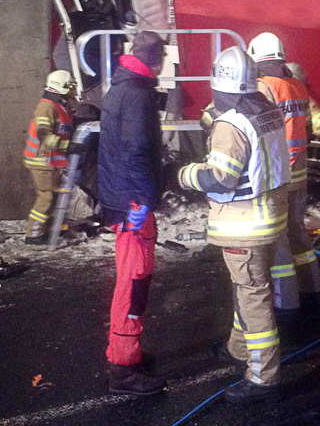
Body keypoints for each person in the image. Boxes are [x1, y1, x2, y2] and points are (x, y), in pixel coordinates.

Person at [177, 46, 290, 403]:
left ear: (218, 84)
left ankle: (263, 377)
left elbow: (221, 178)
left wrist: (186, 174)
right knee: (249, 289)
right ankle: (238, 349)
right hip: (270, 218)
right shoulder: (266, 109)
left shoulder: (231, 124)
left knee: (254, 298)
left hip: (245, 227)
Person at [97, 30, 167, 396]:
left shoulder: (121, 87)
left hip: (122, 199)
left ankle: (125, 352)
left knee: (132, 277)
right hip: (132, 205)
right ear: (157, 61)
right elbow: (137, 150)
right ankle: (124, 367)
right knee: (134, 283)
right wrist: (141, 202)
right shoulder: (138, 95)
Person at [247, 33, 320, 320]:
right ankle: (312, 291)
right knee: (297, 234)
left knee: (278, 241)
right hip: (298, 174)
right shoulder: (297, 86)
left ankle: (286, 306)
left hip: (279, 176)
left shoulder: (264, 88)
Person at [23, 70, 75, 245]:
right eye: (69, 86)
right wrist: (67, 146)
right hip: (42, 161)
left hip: (50, 162)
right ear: (61, 88)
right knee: (46, 197)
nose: (72, 90)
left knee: (53, 196)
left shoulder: (58, 107)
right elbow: (43, 134)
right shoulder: (47, 107)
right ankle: (34, 233)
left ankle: (48, 229)